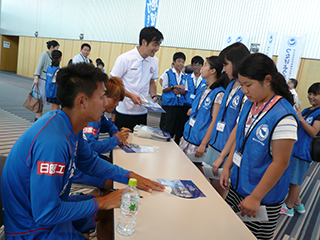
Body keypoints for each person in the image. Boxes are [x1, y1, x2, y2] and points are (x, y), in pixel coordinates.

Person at [1, 63, 164, 239]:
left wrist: (130, 176)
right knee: (107, 204)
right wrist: (102, 202)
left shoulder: (69, 125)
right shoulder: (53, 143)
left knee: (110, 209)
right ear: (82, 101)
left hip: (51, 209)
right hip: (32, 228)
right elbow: (46, 214)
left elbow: (91, 163)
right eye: (102, 96)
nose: (106, 103)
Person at [220, 53, 298, 240]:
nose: (244, 90)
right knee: (231, 231)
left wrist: (256, 197)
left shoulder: (283, 115)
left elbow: (280, 163)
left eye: (248, 85)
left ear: (267, 80)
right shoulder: (250, 104)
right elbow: (241, 139)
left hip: (262, 196)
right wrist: (227, 166)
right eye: (242, 85)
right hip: (239, 186)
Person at [202, 42, 249, 198]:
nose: (224, 69)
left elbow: (239, 128)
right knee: (209, 186)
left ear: (237, 63)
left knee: (220, 192)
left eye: (226, 64)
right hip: (216, 144)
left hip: (227, 150)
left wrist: (223, 156)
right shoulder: (230, 85)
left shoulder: (246, 91)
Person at [72, 77, 131, 189]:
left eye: (119, 101)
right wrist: (116, 139)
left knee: (115, 166)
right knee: (115, 183)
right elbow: (90, 147)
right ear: (102, 96)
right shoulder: (92, 118)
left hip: (85, 161)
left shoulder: (100, 114)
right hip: (78, 168)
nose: (117, 104)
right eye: (115, 99)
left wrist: (114, 133)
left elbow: (109, 124)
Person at [110, 27, 164, 130]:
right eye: (155, 45)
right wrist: (130, 95)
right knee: (122, 142)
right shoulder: (125, 58)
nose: (157, 49)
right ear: (144, 42)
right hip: (125, 111)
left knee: (140, 143)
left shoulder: (154, 60)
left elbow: (152, 82)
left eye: (158, 45)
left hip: (142, 111)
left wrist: (153, 96)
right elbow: (113, 84)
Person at [179, 56, 228, 170]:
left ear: (213, 71)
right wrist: (186, 134)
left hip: (198, 143)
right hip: (188, 138)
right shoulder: (203, 89)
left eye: (205, 65)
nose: (202, 68)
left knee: (192, 174)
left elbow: (214, 121)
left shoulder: (219, 94)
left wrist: (203, 144)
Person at [280, 82, 320, 217]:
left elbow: (313, 132)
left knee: (295, 180)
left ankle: (289, 207)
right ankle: (297, 203)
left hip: (304, 151)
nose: (311, 96)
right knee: (293, 178)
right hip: (296, 148)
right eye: (310, 93)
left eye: (315, 94)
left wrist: (301, 118)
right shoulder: (309, 109)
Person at [160, 52, 188, 144]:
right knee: (168, 127)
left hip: (180, 105)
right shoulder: (168, 73)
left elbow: (185, 90)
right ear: (174, 61)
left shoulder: (185, 76)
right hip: (169, 105)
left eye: (182, 62)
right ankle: (164, 145)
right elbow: (164, 89)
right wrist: (174, 86)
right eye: (179, 61)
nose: (181, 64)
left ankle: (174, 147)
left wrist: (181, 91)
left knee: (177, 127)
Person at [33, 40, 60, 121]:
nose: (57, 50)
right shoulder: (44, 55)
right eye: (56, 48)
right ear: (52, 47)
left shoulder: (53, 56)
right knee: (40, 99)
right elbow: (39, 66)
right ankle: (38, 116)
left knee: (45, 98)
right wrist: (36, 77)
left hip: (48, 80)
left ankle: (40, 117)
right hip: (41, 79)